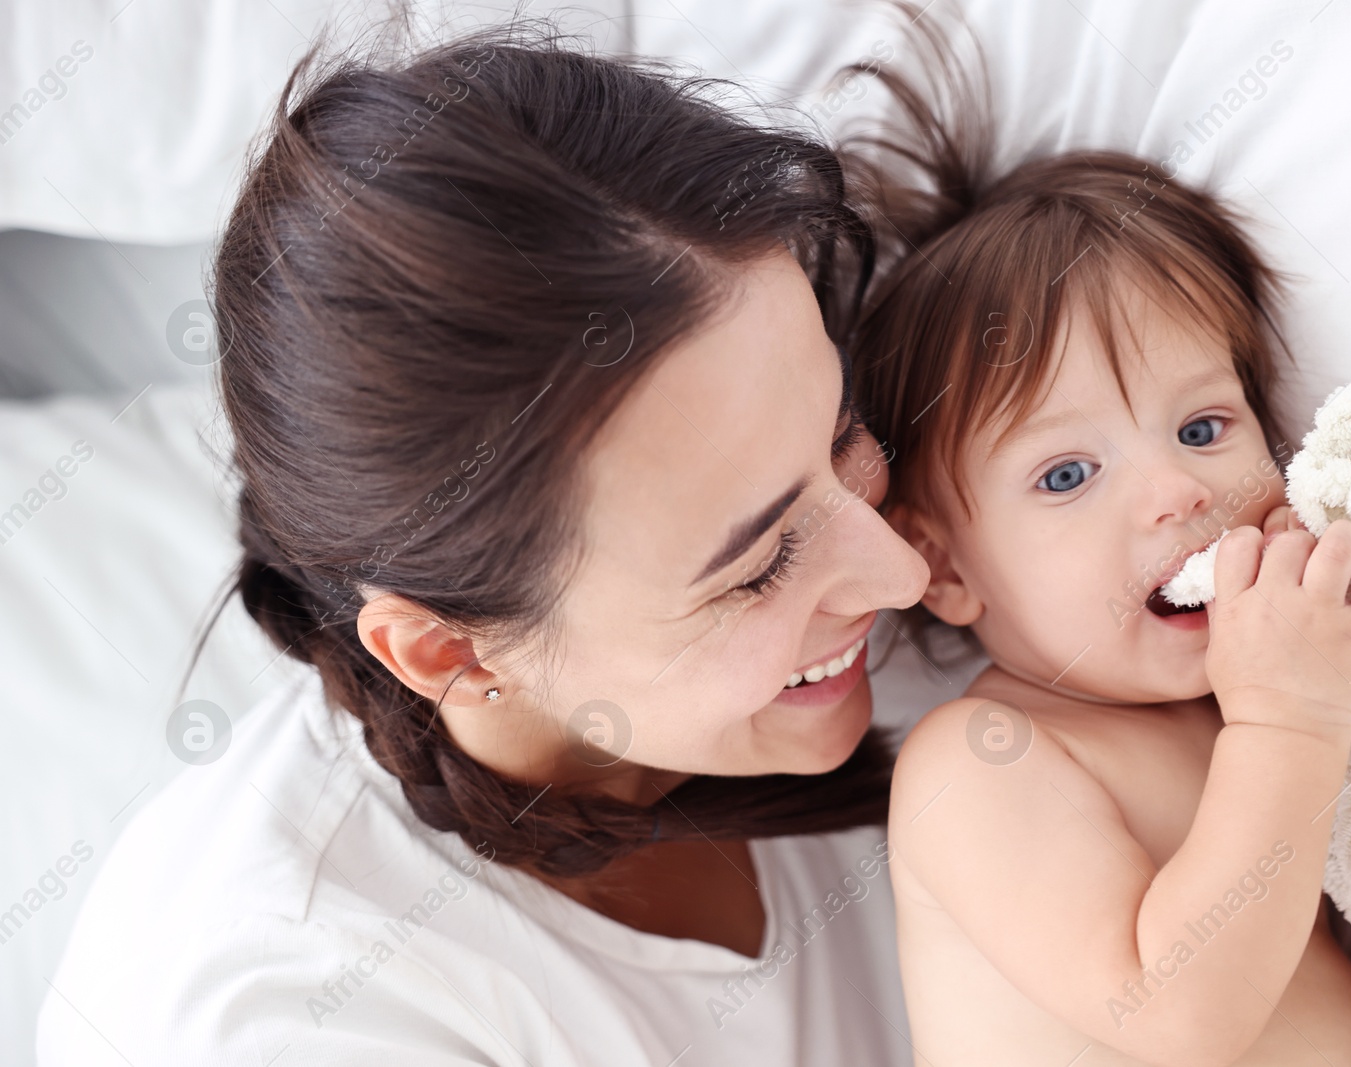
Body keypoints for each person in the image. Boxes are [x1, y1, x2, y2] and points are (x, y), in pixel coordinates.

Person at [36, 19, 930, 1066]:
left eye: (841, 435)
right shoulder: (290, 1008)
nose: (902, 569)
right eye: (758, 565)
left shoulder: (955, 533)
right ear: (453, 653)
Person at [844, 56, 1351, 1066]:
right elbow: (1175, 1015)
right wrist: (1290, 718)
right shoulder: (979, 758)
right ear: (940, 565)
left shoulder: (1228, 710)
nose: (1177, 492)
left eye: (1202, 426)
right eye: (1066, 474)